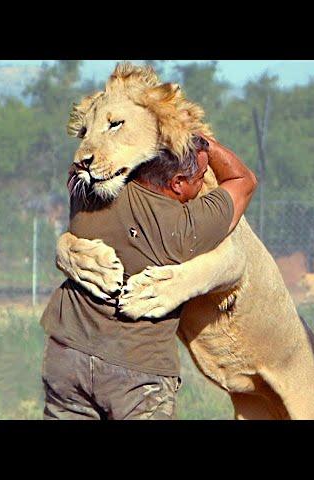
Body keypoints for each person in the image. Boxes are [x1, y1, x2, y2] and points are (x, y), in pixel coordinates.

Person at [40, 136, 257, 420]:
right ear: (178, 183)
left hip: (67, 356)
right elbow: (244, 180)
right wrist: (204, 142)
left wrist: (153, 133)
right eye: (201, 177)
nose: (204, 183)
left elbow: (87, 152)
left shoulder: (88, 196)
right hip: (138, 373)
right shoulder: (185, 228)